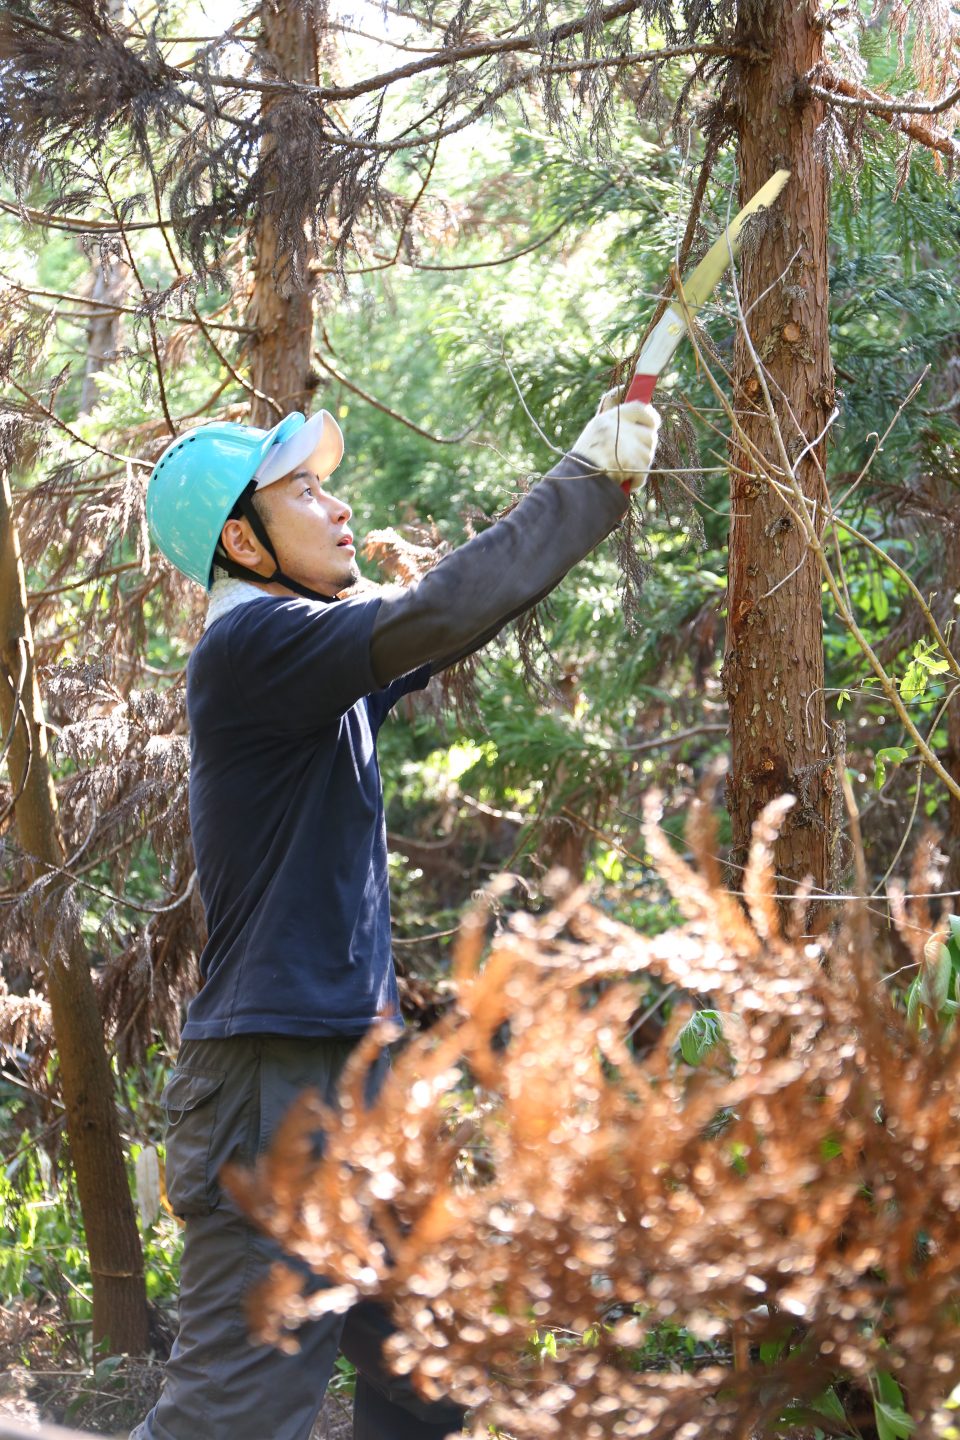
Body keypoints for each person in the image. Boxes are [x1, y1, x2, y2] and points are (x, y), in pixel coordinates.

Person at [133, 392, 660, 1440]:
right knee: (229, 1421)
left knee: (435, 1365)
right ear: (243, 540)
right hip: (273, 1088)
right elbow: (435, 614)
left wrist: (585, 489)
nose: (335, 507)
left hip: (351, 1079)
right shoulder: (252, 652)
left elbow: (451, 609)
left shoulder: (307, 661)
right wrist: (586, 484)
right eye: (304, 491)